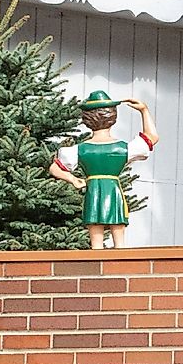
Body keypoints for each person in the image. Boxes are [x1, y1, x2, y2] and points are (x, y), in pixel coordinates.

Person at [50, 92, 158, 251]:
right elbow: (152, 137)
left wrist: (73, 179)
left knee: (95, 234)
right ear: (113, 118)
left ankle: (98, 258)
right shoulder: (122, 148)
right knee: (118, 233)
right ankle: (120, 259)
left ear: (86, 119)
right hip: (113, 190)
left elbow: (54, 168)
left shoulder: (80, 150)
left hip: (93, 191)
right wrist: (144, 110)